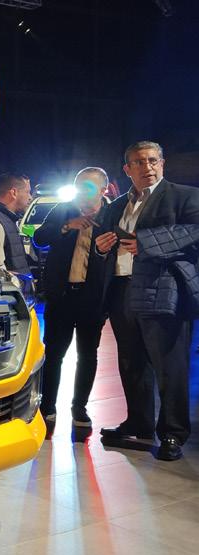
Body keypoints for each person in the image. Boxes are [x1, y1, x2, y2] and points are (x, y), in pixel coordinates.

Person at [95, 141, 199, 461]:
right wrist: (100, 247)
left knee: (170, 366)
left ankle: (172, 432)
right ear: (127, 169)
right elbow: (104, 243)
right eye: (139, 162)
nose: (148, 167)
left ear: (162, 163)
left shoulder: (184, 196)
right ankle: (138, 423)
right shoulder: (116, 206)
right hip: (121, 291)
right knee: (132, 363)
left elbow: (195, 231)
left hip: (163, 291)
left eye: (153, 160)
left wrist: (147, 243)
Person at [32, 168, 110, 438]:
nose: (82, 192)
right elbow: (39, 238)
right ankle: (47, 406)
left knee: (88, 355)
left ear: (103, 190)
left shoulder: (112, 215)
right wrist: (66, 226)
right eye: (79, 186)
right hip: (61, 296)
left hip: (93, 298)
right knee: (54, 353)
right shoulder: (63, 210)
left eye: (89, 187)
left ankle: (80, 408)